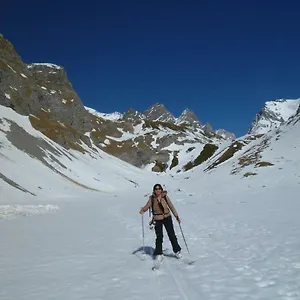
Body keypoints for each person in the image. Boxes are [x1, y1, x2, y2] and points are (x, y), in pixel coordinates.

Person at [139, 183, 182, 262]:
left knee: (171, 234)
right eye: (156, 189)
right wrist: (143, 210)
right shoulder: (152, 199)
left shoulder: (164, 196)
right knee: (159, 236)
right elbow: (147, 206)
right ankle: (159, 253)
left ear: (161, 190)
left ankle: (177, 251)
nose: (158, 190)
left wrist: (177, 216)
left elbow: (171, 206)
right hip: (157, 218)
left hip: (167, 217)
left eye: (159, 188)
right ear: (154, 190)